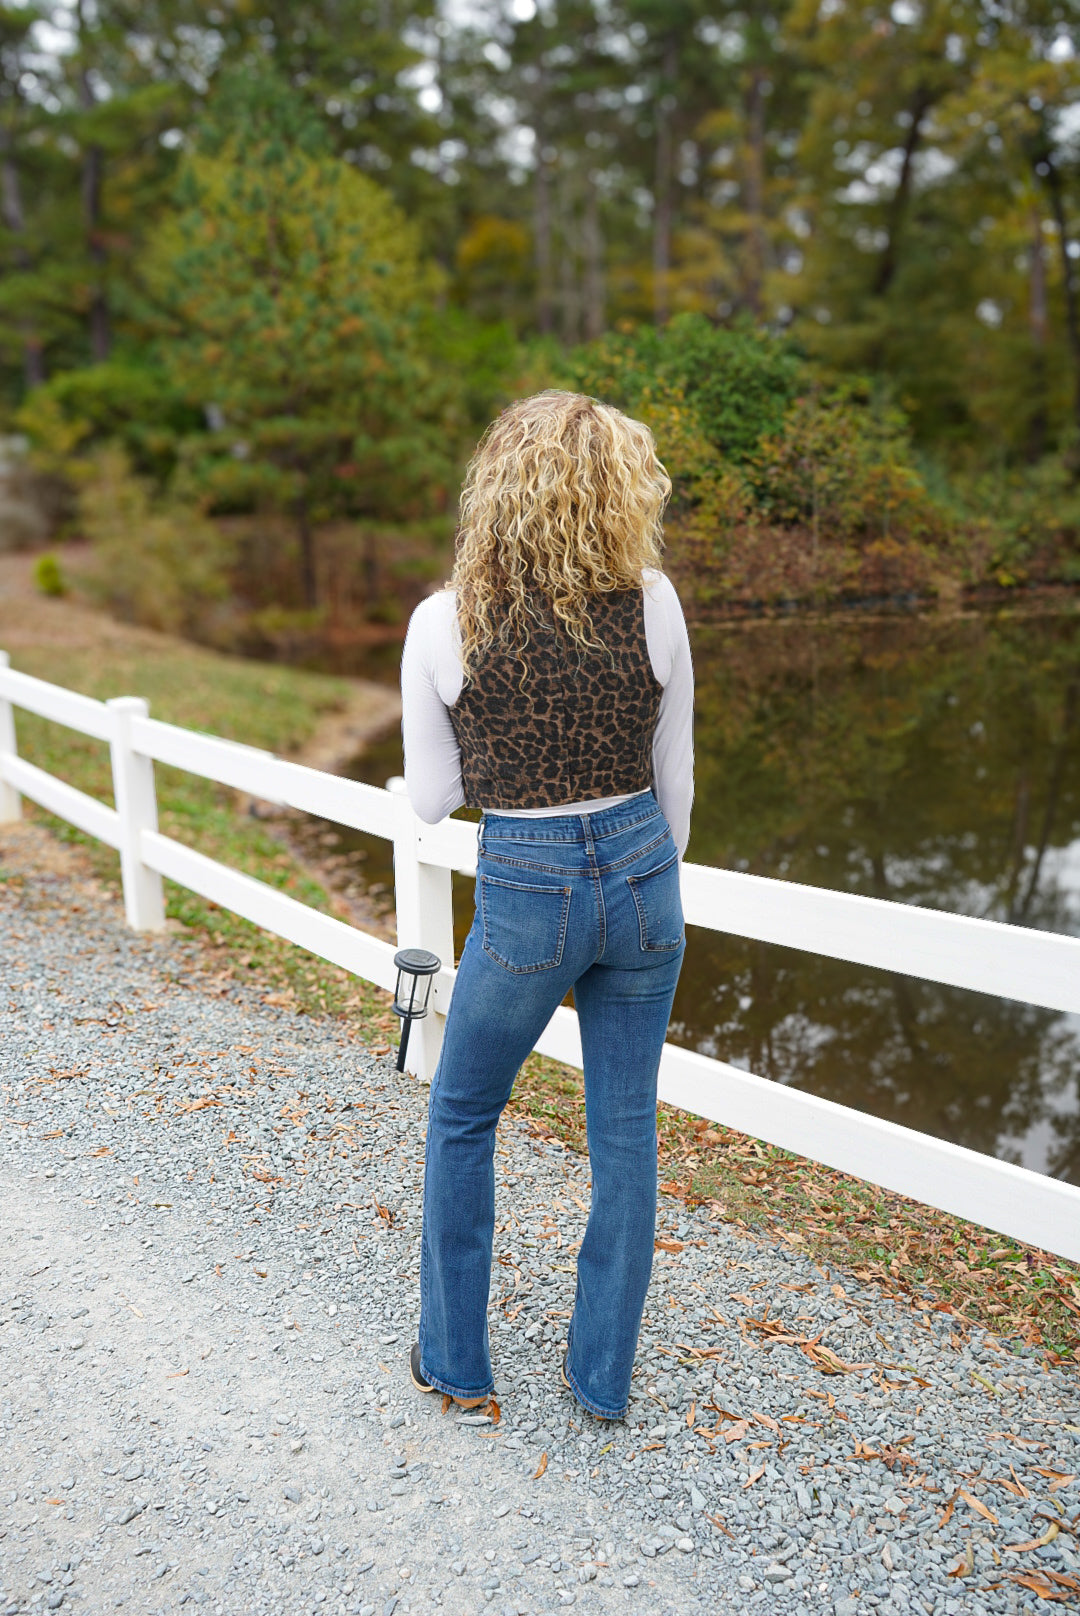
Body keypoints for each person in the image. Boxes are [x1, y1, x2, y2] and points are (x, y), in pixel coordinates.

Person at [399, 390, 694, 1421]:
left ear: (499, 491)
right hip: (645, 873)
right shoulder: (654, 600)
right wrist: (640, 879)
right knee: (624, 1129)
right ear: (618, 490)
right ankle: (601, 1378)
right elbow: (677, 781)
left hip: (526, 882)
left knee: (466, 1111)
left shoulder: (445, 620)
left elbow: (434, 801)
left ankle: (457, 1362)